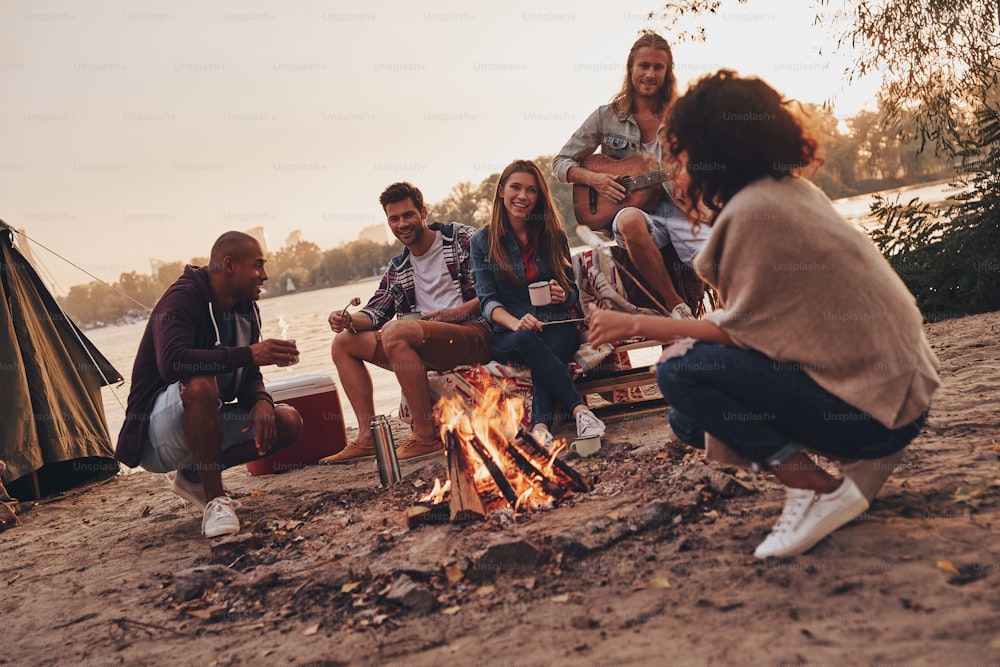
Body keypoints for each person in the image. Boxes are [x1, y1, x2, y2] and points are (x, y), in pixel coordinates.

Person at [587, 70, 939, 558]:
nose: (674, 165)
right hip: (901, 395)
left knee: (679, 370)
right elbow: (766, 326)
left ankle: (817, 489)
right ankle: (852, 469)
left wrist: (634, 325)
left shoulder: (754, 214)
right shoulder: (787, 192)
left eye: (680, 150)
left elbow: (740, 335)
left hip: (879, 414)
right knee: (690, 419)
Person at [116, 231, 303, 538]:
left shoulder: (246, 307)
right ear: (229, 265)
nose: (264, 275)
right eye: (257, 265)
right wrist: (250, 353)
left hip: (203, 424)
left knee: (287, 421)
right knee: (201, 385)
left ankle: (193, 475)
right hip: (155, 434)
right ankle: (215, 500)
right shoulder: (183, 298)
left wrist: (260, 400)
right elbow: (172, 361)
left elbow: (248, 372)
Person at [324, 182, 493, 462]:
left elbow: (494, 291)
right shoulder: (398, 267)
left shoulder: (461, 238)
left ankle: (426, 436)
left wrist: (456, 313)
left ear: (423, 212)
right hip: (419, 341)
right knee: (343, 342)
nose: (402, 223)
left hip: (471, 334)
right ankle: (367, 437)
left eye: (408, 215)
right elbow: (375, 312)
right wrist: (347, 320)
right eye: (394, 218)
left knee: (395, 331)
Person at [553, 32, 711, 319]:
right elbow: (561, 162)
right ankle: (676, 306)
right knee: (628, 219)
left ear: (667, 71)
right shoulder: (606, 116)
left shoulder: (682, 116)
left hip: (680, 208)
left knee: (722, 262)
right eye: (644, 66)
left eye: (658, 67)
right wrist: (594, 179)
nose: (650, 74)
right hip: (635, 212)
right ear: (631, 68)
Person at [471, 159, 606, 445]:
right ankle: (580, 411)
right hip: (510, 334)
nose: (523, 196)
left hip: (556, 324)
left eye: (531, 190)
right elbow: (487, 301)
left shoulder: (552, 233)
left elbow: (571, 290)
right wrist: (516, 322)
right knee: (530, 341)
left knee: (551, 349)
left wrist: (562, 293)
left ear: (539, 197)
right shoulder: (482, 241)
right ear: (501, 192)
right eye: (516, 188)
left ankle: (541, 430)